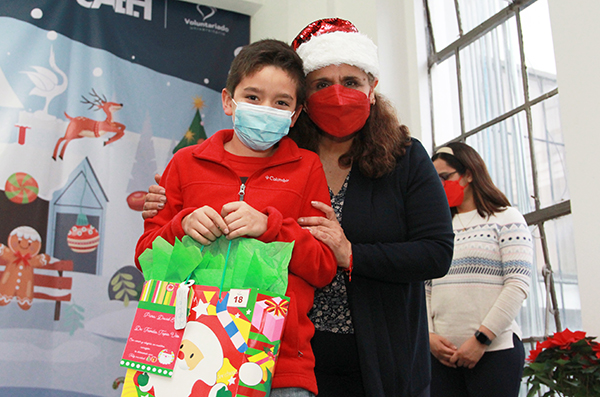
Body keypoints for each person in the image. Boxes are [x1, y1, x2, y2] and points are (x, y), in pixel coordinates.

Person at [144, 19, 454, 397]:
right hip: (246, 348)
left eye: (352, 82)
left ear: (372, 90)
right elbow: (155, 247)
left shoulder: (402, 159)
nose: (338, 95)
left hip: (371, 354)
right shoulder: (282, 156)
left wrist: (350, 254)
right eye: (322, 84)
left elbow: (435, 253)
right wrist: (174, 219)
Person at [135, 39, 338, 397]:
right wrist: (182, 226)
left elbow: (323, 266)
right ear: (229, 100)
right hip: (184, 355)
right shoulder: (185, 163)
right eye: (253, 97)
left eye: (281, 103)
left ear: (295, 114)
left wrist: (270, 226)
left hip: (280, 363)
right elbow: (146, 258)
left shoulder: (307, 169)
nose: (266, 109)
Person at [427, 142, 533, 397]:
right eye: (435, 180)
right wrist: (429, 337)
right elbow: (425, 288)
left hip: (495, 352)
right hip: (441, 357)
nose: (440, 185)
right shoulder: (438, 229)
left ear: (469, 174)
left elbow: (517, 285)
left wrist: (481, 340)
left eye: (445, 177)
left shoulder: (506, 218)